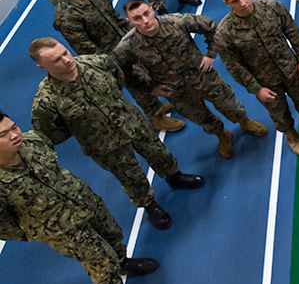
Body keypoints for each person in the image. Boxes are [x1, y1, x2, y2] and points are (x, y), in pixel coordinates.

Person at [29, 38, 203, 229]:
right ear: (41, 66)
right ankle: (149, 205)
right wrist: (86, 130)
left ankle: (174, 177)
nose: (67, 59)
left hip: (132, 122)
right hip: (104, 145)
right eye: (56, 60)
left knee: (158, 152)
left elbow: (118, 79)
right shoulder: (46, 101)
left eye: (64, 52)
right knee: (130, 176)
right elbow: (51, 133)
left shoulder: (97, 63)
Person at [0, 110, 160, 284]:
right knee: (101, 264)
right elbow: (4, 227)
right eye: (4, 135)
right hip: (63, 231)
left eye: (14, 127)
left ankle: (123, 262)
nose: (14, 136)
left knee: (112, 233)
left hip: (85, 201)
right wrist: (34, 231)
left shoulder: (33, 141)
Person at [113, 0, 266, 159]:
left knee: (230, 105)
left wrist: (211, 54)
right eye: (137, 18)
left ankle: (244, 122)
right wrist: (150, 88)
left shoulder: (176, 22)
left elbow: (213, 28)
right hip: (177, 92)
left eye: (146, 14)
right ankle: (222, 135)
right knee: (202, 118)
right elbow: (122, 72)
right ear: (129, 21)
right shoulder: (128, 46)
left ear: (152, 10)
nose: (145, 21)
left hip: (204, 77)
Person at [45, 0, 183, 133]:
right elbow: (86, 49)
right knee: (136, 82)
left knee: (148, 71)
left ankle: (158, 105)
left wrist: (133, 31)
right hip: (112, 56)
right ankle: (156, 115)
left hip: (126, 42)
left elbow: (112, 14)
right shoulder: (66, 17)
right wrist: (115, 63)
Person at [216, 0, 299, 156]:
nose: (243, 3)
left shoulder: (271, 7)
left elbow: (292, 31)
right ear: (226, 3)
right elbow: (234, 66)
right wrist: (256, 89)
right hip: (265, 81)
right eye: (235, 2)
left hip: (291, 68)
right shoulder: (225, 33)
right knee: (279, 114)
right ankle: (291, 135)